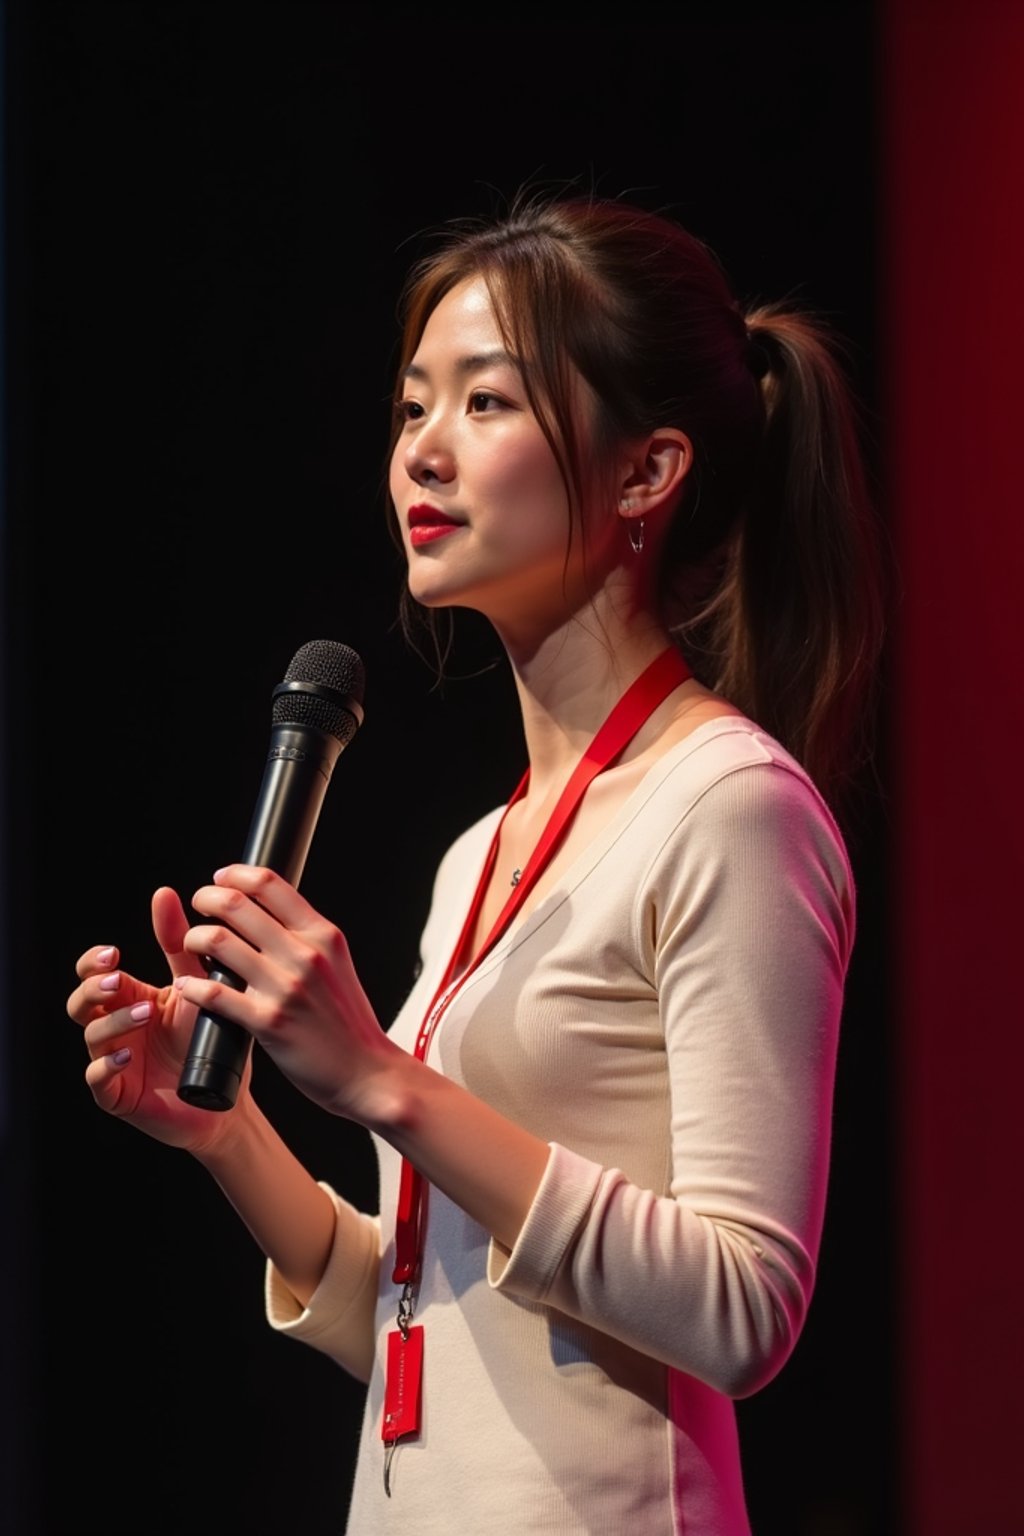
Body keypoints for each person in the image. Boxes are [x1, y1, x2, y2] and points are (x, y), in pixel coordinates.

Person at [67, 187, 884, 1535]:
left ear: (647, 472)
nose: (422, 456)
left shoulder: (732, 806)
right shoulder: (476, 857)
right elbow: (424, 1312)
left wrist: (385, 1081)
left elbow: (746, 1309)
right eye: (410, 409)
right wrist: (221, 1129)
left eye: (486, 403)